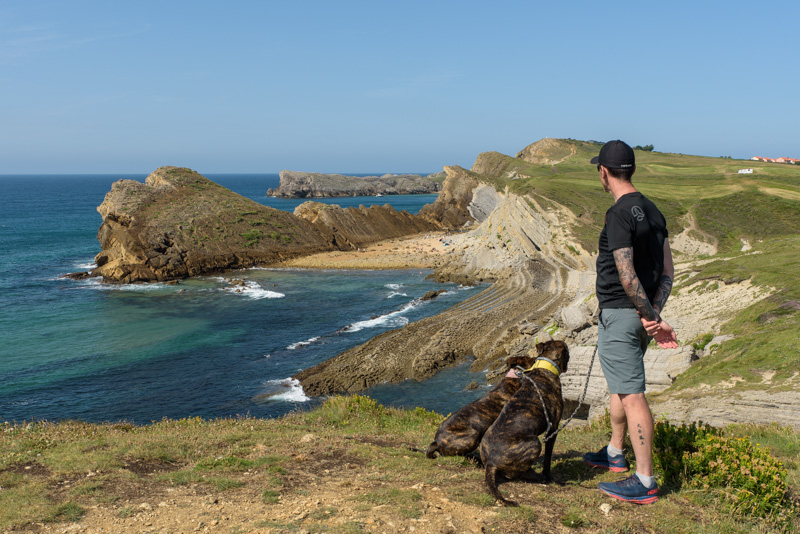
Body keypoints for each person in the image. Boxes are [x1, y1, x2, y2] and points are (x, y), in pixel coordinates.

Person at [582, 140, 678, 504]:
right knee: (620, 387)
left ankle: (644, 480)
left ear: (603, 172)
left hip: (623, 315)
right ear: (632, 169)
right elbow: (667, 270)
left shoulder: (619, 212)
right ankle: (614, 453)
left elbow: (625, 272)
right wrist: (654, 316)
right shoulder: (653, 210)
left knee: (632, 394)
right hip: (639, 317)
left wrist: (646, 315)